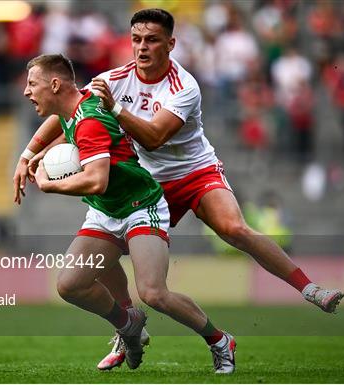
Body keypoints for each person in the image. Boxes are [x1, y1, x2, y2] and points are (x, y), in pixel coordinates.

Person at [13, 9, 343, 371]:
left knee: (233, 229)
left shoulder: (184, 87)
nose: (142, 47)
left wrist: (116, 111)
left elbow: (154, 138)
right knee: (104, 252)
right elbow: (69, 112)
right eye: (137, 39)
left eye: (152, 39)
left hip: (193, 171)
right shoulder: (115, 78)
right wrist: (29, 154)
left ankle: (310, 289)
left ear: (171, 44)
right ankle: (128, 328)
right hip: (148, 179)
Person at [19, 53, 237, 373]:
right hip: (106, 211)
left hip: (140, 206)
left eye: (32, 83)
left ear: (55, 85)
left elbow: (96, 179)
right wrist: (26, 156)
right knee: (70, 285)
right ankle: (128, 325)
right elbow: (58, 121)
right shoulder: (72, 108)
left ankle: (219, 340)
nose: (26, 91)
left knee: (153, 293)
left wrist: (50, 186)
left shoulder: (90, 120)